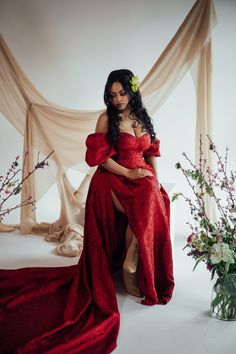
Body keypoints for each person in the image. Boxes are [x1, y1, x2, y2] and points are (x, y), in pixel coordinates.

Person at [0, 69, 174, 354]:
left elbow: (151, 152)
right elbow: (101, 159)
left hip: (139, 177)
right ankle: (131, 267)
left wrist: (153, 179)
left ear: (132, 92)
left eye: (122, 93)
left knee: (155, 195)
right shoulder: (107, 119)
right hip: (112, 179)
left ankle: (135, 257)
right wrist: (131, 174)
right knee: (144, 196)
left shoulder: (142, 117)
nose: (117, 99)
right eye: (112, 94)